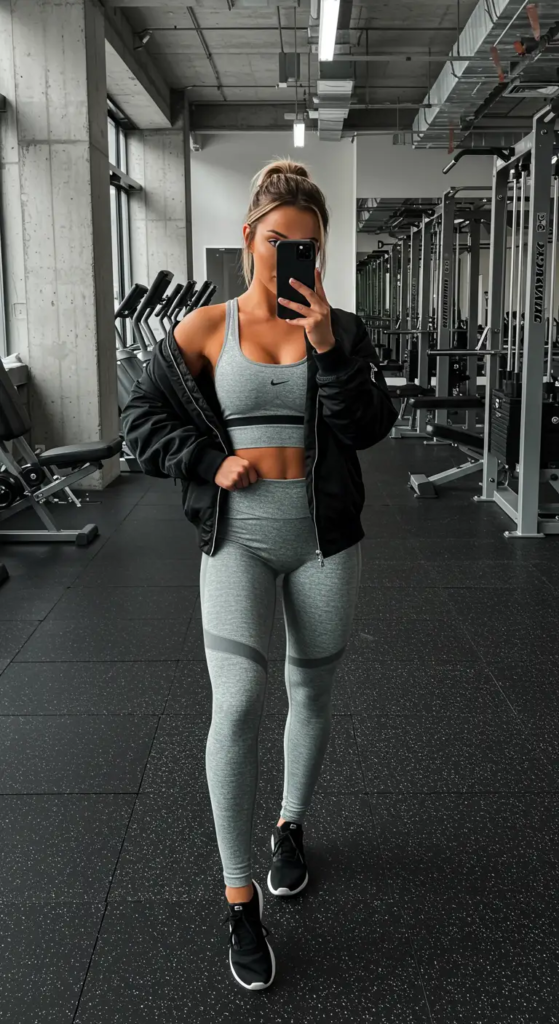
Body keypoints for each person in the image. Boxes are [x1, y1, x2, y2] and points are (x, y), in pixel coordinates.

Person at [122, 159, 398, 992]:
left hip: (324, 541)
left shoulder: (342, 330)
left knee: (310, 691)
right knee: (238, 701)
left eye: (306, 246)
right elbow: (140, 421)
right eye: (278, 241)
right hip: (237, 541)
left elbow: (370, 427)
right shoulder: (204, 328)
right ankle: (238, 897)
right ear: (249, 238)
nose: (289, 258)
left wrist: (326, 349)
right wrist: (206, 460)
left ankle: (290, 825)